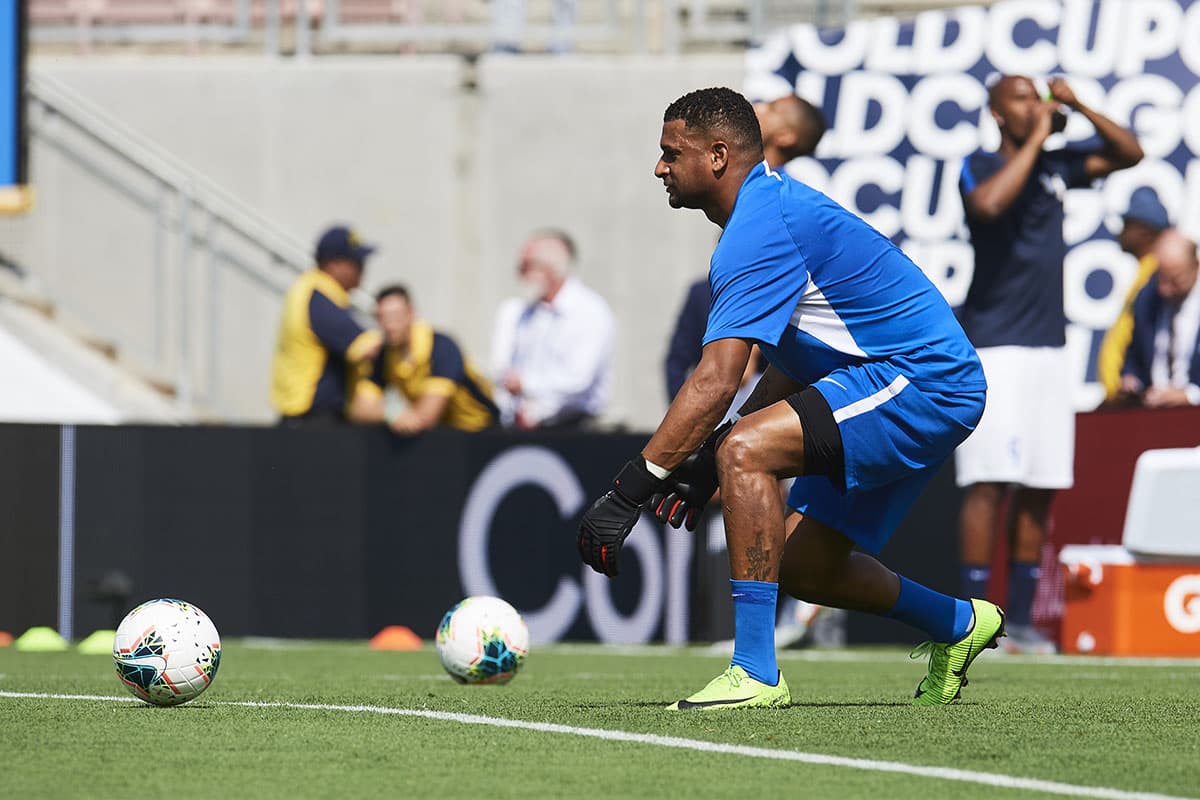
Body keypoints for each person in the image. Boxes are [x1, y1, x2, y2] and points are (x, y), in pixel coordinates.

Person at [579, 87, 1001, 710]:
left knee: (747, 453)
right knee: (804, 567)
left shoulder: (758, 227)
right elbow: (788, 363)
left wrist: (627, 493)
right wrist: (712, 448)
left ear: (718, 156)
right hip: (897, 382)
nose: (660, 167)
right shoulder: (764, 214)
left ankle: (754, 672)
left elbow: (715, 380)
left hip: (923, 381)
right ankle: (960, 624)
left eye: (671, 152)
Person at [955, 75, 1143, 654]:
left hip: (1048, 349)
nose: (1033, 104)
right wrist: (1039, 138)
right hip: (995, 345)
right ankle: (976, 621)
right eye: (1019, 98)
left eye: (1037, 96)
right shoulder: (979, 163)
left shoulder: (1059, 166)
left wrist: (1078, 104)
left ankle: (1025, 623)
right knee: (989, 484)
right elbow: (987, 205)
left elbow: (1130, 153)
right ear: (996, 113)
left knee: (1040, 485)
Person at [665, 94, 827, 403]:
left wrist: (748, 350)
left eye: (773, 108)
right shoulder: (745, 191)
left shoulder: (779, 204)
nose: (760, 106)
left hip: (757, 378)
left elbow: (771, 281)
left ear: (786, 136)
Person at [489, 230, 615, 430]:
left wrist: (525, 384)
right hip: (522, 427)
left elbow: (578, 380)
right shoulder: (522, 311)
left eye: (527, 266)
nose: (520, 274)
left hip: (574, 429)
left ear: (551, 269)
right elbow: (502, 368)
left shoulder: (589, 311)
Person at [271, 225, 382, 427]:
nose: (362, 268)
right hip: (313, 419)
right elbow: (367, 347)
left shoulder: (309, 289)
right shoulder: (319, 295)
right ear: (334, 264)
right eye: (356, 261)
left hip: (301, 417)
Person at [349, 285, 499, 434]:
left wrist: (394, 414)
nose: (389, 325)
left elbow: (425, 417)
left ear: (411, 313)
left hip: (481, 432)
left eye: (396, 316)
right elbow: (359, 409)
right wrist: (392, 413)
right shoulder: (384, 353)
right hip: (443, 436)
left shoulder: (442, 347)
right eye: (382, 317)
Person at [1098, 188, 1170, 403]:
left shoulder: (1160, 278)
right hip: (1126, 398)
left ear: (1146, 231)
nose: (1121, 232)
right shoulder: (1144, 274)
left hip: (1144, 398)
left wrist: (1135, 379)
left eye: (1128, 224)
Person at [1116, 230, 1200, 408]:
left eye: (1175, 280)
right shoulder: (1147, 297)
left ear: (1195, 265)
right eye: (1161, 276)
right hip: (1153, 412)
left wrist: (1190, 395)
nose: (1164, 289)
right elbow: (1133, 353)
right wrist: (1131, 378)